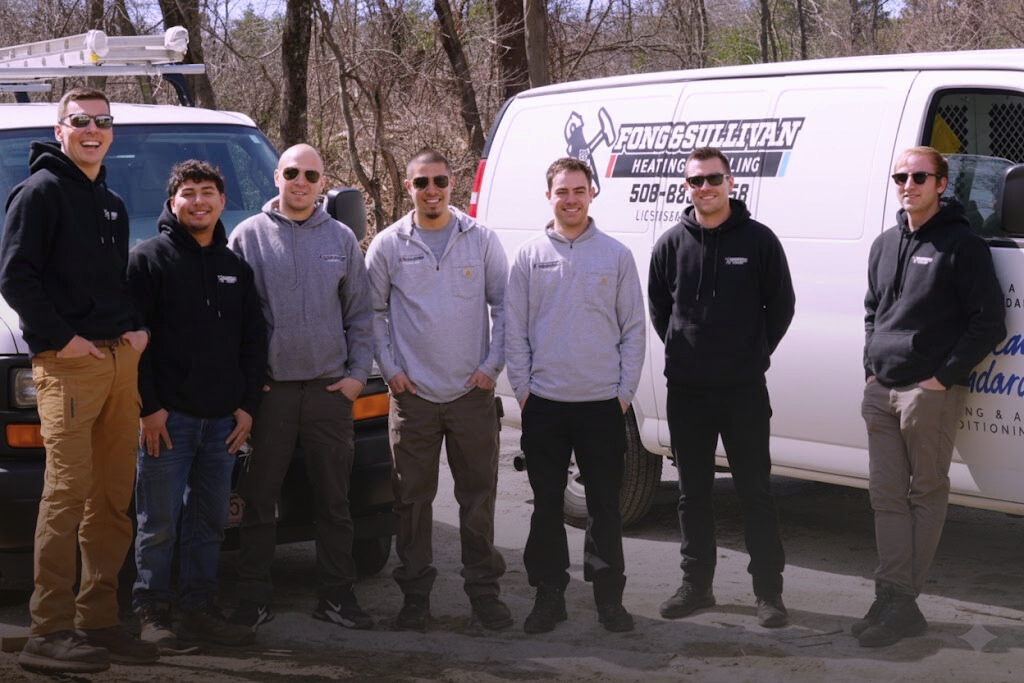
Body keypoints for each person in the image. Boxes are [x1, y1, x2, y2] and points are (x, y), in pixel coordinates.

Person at [0, 87, 157, 672]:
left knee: (113, 499)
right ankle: (49, 630)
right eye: (81, 121)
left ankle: (99, 621)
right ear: (60, 128)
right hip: (68, 365)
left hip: (119, 362)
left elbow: (117, 282)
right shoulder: (39, 192)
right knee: (65, 496)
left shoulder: (110, 201)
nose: (93, 130)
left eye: (103, 121)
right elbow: (17, 278)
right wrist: (64, 340)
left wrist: (136, 330)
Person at [856, 146, 1005, 647]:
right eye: (901, 175)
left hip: (929, 393)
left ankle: (901, 600)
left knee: (925, 493)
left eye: (920, 176)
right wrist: (871, 370)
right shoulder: (882, 244)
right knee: (885, 497)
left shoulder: (963, 246)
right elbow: (873, 311)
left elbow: (988, 322)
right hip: (882, 390)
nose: (908, 183)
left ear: (942, 184)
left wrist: (941, 379)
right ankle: (892, 596)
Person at [227, 144, 375, 630]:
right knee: (259, 500)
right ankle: (252, 596)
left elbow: (360, 314)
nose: (301, 181)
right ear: (276, 177)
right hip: (272, 395)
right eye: (292, 172)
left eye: (311, 174)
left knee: (335, 501)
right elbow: (234, 320)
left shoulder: (341, 238)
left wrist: (356, 376)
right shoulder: (246, 237)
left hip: (330, 392)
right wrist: (249, 388)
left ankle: (336, 595)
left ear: (321, 182)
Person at [648, 146, 795, 629]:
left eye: (713, 179)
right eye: (695, 181)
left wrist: (752, 354)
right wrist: (686, 353)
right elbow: (660, 311)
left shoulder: (759, 241)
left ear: (731, 183)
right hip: (687, 392)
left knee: (756, 491)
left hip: (742, 391)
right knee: (693, 493)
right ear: (686, 187)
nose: (704, 188)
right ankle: (696, 585)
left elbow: (782, 306)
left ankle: (768, 593)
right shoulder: (671, 244)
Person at [365, 149, 510, 632]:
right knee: (410, 502)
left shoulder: (481, 239)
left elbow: (505, 308)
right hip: (413, 398)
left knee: (478, 498)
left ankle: (484, 593)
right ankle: (414, 597)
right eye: (422, 182)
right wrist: (390, 370)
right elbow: (372, 313)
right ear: (407, 188)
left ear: (453, 184)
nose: (432, 191)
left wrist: (492, 367)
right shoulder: (388, 245)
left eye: (440, 181)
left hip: (471, 394)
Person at [127, 160, 267, 651]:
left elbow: (253, 343)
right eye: (189, 192)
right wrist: (149, 408)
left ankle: (199, 608)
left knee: (208, 523)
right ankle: (152, 611)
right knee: (159, 522)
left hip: (223, 423)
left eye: (208, 192)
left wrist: (247, 407)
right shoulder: (148, 260)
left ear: (222, 202)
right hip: (168, 420)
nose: (199, 201)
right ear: (173, 203)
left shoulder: (236, 269)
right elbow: (133, 345)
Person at [505, 157, 645, 634]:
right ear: (549, 196)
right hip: (544, 403)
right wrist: (524, 393)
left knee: (605, 506)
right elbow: (514, 331)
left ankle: (609, 599)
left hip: (603, 406)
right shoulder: (528, 256)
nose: (571, 199)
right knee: (547, 506)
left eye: (579, 190)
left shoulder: (616, 255)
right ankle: (549, 596)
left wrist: (623, 394)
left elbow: (634, 331)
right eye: (562, 191)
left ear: (592, 193)